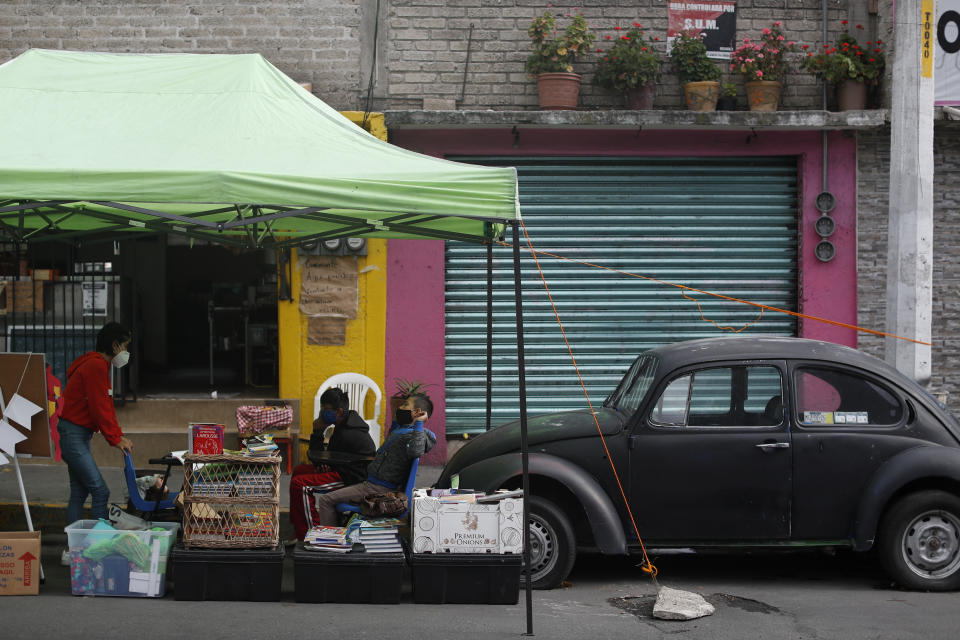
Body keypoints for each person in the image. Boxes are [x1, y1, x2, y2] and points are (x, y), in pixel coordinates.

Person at [58, 322, 134, 563]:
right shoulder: (96, 367)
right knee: (100, 491)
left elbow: (104, 406)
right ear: (114, 345)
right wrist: (115, 438)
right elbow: (100, 407)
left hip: (75, 434)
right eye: (124, 346)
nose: (125, 351)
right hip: (74, 436)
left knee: (79, 493)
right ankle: (95, 549)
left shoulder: (93, 363)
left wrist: (116, 434)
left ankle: (73, 551)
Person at [312, 392, 436, 526]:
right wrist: (398, 416)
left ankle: (329, 541)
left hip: (377, 488)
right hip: (371, 484)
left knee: (325, 500)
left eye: (405, 405)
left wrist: (418, 423)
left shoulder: (416, 435)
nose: (401, 407)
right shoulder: (401, 430)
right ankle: (339, 531)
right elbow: (394, 431)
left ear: (417, 412)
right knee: (334, 496)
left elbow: (416, 451)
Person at [287, 387, 376, 541]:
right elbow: (325, 457)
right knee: (299, 470)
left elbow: (319, 456)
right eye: (322, 408)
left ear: (339, 412)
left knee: (300, 485)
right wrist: (325, 464)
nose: (322, 412)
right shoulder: (346, 423)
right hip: (342, 467)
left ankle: (309, 532)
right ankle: (299, 526)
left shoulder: (348, 433)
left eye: (326, 409)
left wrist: (317, 432)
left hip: (352, 478)